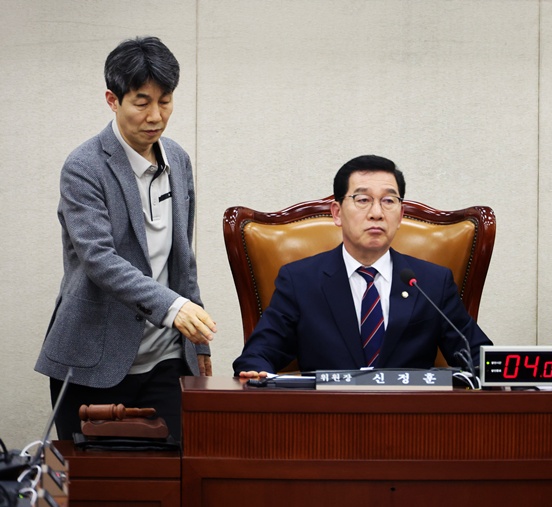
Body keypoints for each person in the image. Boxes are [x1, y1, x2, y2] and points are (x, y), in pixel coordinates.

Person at [35, 36, 216, 442]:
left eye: (165, 101)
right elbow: (99, 259)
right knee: (96, 490)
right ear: (112, 100)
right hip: (93, 362)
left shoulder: (178, 159)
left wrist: (199, 344)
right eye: (141, 101)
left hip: (168, 360)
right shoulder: (83, 166)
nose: (155, 115)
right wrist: (172, 306)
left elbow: (182, 258)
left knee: (180, 483)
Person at [234, 155, 492, 376]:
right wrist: (257, 371)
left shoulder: (431, 282)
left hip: (411, 423)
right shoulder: (300, 280)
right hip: (325, 422)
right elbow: (259, 354)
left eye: (389, 201)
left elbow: (478, 357)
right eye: (363, 200)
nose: (377, 213)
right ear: (337, 213)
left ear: (401, 215)